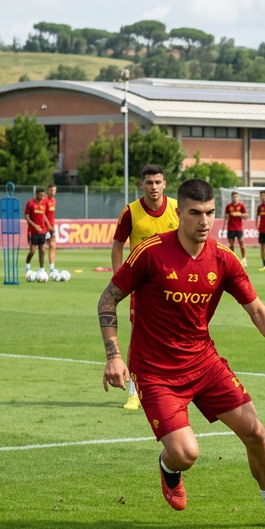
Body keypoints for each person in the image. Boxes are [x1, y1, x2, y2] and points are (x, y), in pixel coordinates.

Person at [97, 179, 265, 529]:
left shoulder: (223, 258)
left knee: (255, 431)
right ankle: (169, 467)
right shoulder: (150, 252)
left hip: (204, 363)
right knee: (186, 454)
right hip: (155, 371)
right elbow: (108, 299)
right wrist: (114, 356)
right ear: (179, 213)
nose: (204, 221)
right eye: (195, 213)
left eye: (210, 213)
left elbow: (257, 310)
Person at [111, 164, 179, 411]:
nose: (154, 187)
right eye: (149, 182)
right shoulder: (130, 212)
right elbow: (118, 246)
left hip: (175, 284)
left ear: (164, 184)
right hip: (142, 286)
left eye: (158, 182)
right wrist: (120, 281)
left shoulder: (177, 209)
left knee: (178, 335)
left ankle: (173, 387)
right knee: (139, 337)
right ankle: (134, 391)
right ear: (141, 185)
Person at [24, 187, 50, 281]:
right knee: (32, 251)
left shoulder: (44, 203)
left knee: (42, 249)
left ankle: (42, 269)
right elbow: (26, 216)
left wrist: (48, 224)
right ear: (36, 194)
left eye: (43, 195)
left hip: (42, 230)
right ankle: (27, 266)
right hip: (32, 231)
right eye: (40, 195)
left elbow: (43, 215)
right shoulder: (30, 203)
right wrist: (35, 226)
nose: (41, 196)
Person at [223, 191, 248, 266]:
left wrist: (240, 214)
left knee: (242, 242)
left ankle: (244, 259)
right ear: (231, 197)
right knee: (231, 245)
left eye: (236, 197)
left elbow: (246, 216)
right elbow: (225, 216)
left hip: (239, 228)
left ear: (238, 197)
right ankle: (232, 260)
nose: (235, 198)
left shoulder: (241, 205)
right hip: (230, 228)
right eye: (233, 197)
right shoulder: (228, 206)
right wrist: (223, 227)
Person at [45, 184, 59, 276]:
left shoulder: (54, 201)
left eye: (54, 190)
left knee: (52, 246)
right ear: (48, 190)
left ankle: (52, 269)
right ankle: (41, 268)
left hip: (51, 228)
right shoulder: (44, 200)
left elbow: (51, 215)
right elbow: (43, 214)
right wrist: (48, 225)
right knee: (41, 249)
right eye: (51, 190)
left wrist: (52, 225)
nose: (52, 192)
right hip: (44, 227)